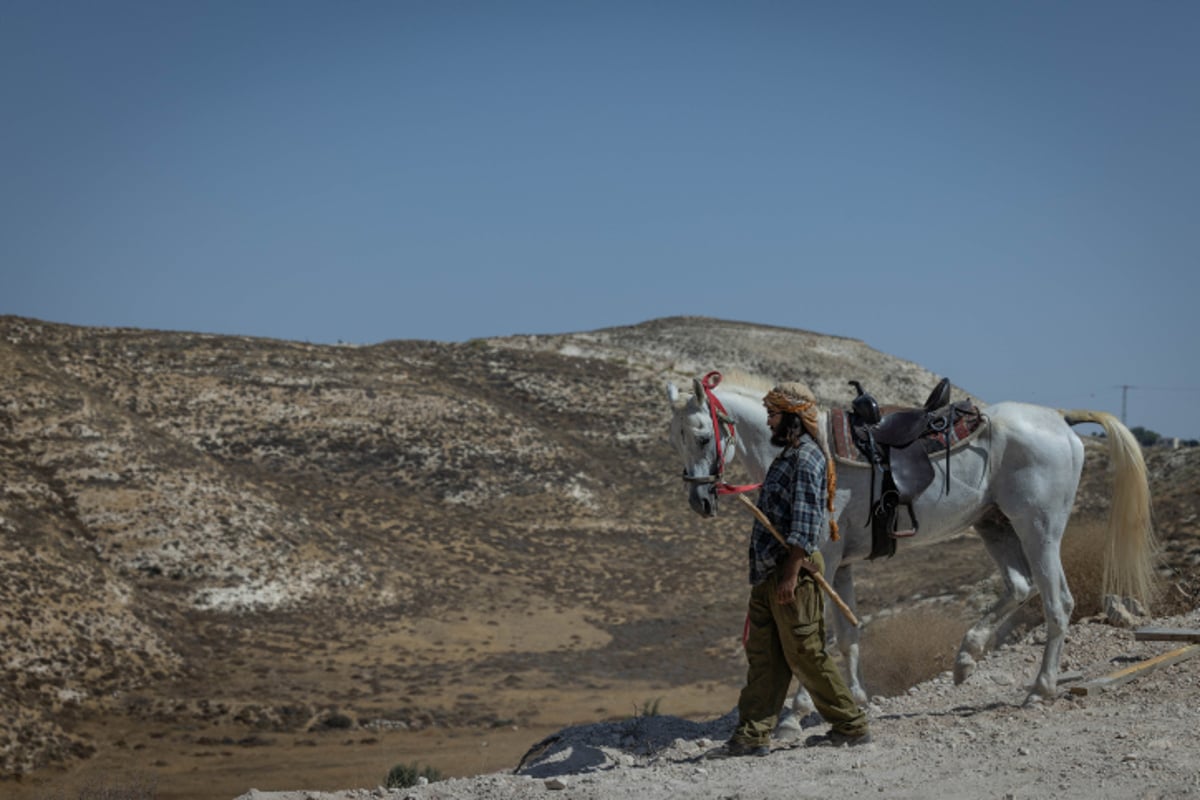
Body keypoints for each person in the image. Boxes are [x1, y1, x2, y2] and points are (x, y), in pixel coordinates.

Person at [707, 381, 870, 758]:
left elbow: (808, 520)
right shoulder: (788, 455)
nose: (769, 421)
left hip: (790, 573)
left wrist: (792, 573)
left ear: (793, 418)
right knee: (765, 656)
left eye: (774, 414)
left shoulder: (807, 458)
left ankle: (851, 725)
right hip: (769, 571)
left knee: (806, 654)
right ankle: (751, 735)